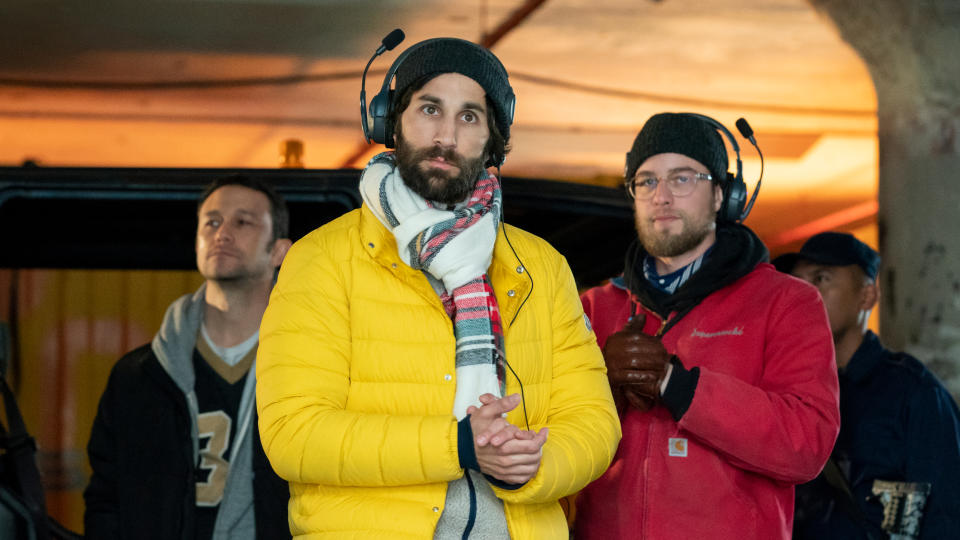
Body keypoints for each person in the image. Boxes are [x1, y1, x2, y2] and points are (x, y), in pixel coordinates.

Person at [255, 37, 621, 539]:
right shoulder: (320, 261)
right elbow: (293, 435)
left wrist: (533, 466)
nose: (446, 135)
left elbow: (595, 421)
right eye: (430, 109)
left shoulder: (541, 267)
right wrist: (460, 446)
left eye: (469, 117)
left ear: (492, 137)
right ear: (390, 121)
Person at [572, 112, 841, 539]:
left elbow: (806, 444)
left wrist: (677, 386)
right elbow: (544, 435)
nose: (662, 196)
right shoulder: (591, 308)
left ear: (722, 195)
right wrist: (599, 389)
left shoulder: (787, 302)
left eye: (682, 179)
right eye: (647, 181)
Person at [84, 175, 293, 540]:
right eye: (211, 222)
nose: (222, 233)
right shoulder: (138, 376)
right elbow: (106, 499)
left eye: (242, 221)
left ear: (279, 251)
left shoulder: (310, 366)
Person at [774, 231, 960, 540]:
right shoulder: (781, 389)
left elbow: (946, 513)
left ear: (867, 295)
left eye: (821, 279)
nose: (804, 294)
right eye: (797, 283)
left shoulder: (913, 392)